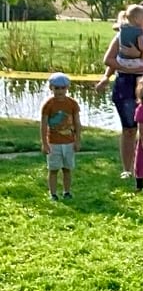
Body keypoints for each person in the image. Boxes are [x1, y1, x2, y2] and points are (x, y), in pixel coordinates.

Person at [99, 0, 143, 178]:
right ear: (140, 16)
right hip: (126, 83)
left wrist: (139, 55)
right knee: (129, 128)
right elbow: (109, 59)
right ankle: (128, 169)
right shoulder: (124, 33)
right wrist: (133, 68)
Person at [40, 72, 81, 201]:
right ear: (51, 88)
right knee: (53, 169)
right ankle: (53, 194)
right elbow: (43, 125)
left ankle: (67, 192)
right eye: (56, 88)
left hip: (69, 142)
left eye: (63, 88)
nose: (60, 91)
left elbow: (77, 123)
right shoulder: (48, 104)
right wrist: (45, 143)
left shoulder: (72, 104)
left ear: (67, 88)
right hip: (53, 143)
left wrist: (78, 140)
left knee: (67, 169)